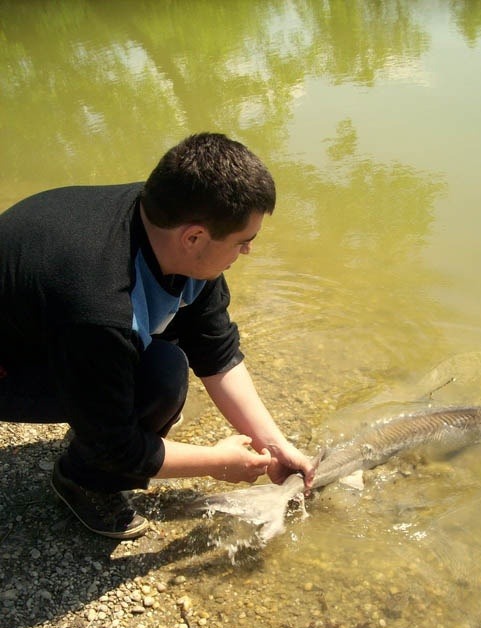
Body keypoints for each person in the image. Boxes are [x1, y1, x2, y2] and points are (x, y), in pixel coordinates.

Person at [0, 132, 314, 540]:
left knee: (162, 369)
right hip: (12, 364)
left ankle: (98, 416)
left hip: (49, 331)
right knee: (159, 382)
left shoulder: (164, 222)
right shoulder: (99, 303)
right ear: (195, 237)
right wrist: (218, 463)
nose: (247, 252)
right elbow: (120, 448)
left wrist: (273, 443)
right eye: (243, 243)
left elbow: (215, 351)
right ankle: (84, 481)